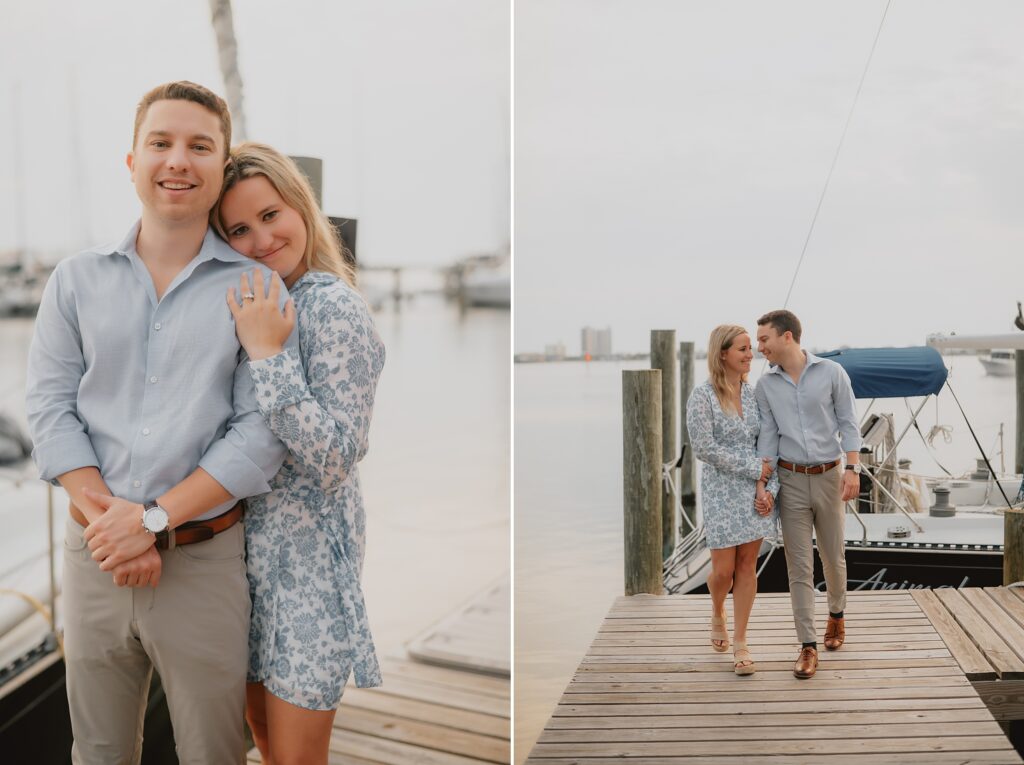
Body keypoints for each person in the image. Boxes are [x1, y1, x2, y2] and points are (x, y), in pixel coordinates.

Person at [26, 82, 295, 763]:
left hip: (204, 565)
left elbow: (259, 436)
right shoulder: (75, 281)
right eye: (162, 143)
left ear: (222, 162)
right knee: (99, 751)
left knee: (212, 752)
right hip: (95, 561)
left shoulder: (257, 287)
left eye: (199, 146)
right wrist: (117, 525)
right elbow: (51, 410)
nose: (179, 159)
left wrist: (152, 520)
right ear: (132, 160)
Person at [212, 141, 385, 764]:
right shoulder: (252, 301)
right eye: (238, 228)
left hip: (310, 574)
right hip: (245, 566)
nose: (260, 239)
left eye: (271, 215)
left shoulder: (331, 306)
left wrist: (268, 356)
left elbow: (336, 457)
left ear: (302, 209)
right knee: (263, 746)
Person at [754, 309, 861, 680]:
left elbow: (848, 422)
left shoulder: (832, 374)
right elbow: (767, 435)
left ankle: (837, 614)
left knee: (833, 556)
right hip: (791, 479)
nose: (759, 346)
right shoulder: (765, 385)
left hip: (831, 475)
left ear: (787, 337)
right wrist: (763, 483)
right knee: (798, 565)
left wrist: (852, 469)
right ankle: (807, 645)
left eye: (764, 338)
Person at [686, 324, 779, 675]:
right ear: (722, 353)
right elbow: (705, 449)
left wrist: (769, 489)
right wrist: (754, 469)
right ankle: (717, 611)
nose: (749, 354)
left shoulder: (754, 394)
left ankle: (741, 642)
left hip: (755, 490)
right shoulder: (703, 396)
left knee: (746, 568)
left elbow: (768, 445)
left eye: (750, 348)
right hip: (721, 490)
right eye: (742, 349)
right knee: (722, 572)